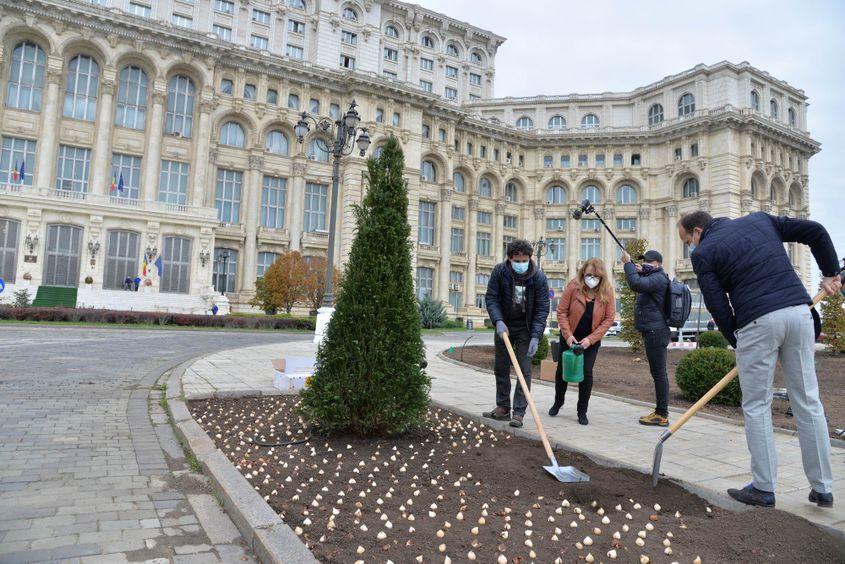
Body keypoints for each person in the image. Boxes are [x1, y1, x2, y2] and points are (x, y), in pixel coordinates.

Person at [678, 210, 841, 509]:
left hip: (757, 321)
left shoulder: (704, 254)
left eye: (687, 239)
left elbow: (718, 305)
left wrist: (736, 340)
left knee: (756, 405)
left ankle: (764, 488)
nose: (690, 246)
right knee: (807, 400)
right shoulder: (761, 220)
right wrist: (832, 272)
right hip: (799, 313)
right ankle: (823, 488)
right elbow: (816, 231)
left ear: (697, 231)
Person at [483, 239, 551, 428]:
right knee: (501, 367)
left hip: (526, 328)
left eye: (524, 260)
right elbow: (492, 297)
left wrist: (536, 336)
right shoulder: (500, 272)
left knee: (524, 370)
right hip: (504, 325)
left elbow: (542, 308)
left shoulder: (538, 277)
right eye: (517, 260)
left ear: (530, 258)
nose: (521, 264)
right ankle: (503, 407)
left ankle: (519, 412)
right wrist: (498, 321)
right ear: (510, 258)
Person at [549, 258, 615, 425]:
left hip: (590, 341)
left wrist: (590, 340)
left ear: (601, 276)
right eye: (588, 275)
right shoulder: (574, 286)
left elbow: (608, 319)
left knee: (586, 372)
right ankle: (558, 402)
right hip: (570, 336)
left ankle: (582, 410)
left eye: (596, 276)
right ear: (583, 273)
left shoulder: (607, 291)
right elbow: (562, 311)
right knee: (562, 370)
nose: (591, 278)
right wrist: (568, 335)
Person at [621, 249, 671, 426]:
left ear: (657, 264)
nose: (645, 263)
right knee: (657, 373)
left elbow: (635, 284)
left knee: (659, 373)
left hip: (656, 331)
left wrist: (627, 264)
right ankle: (659, 412)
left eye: (649, 261)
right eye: (644, 261)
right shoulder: (653, 277)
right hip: (653, 329)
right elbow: (641, 281)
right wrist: (639, 270)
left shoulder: (659, 278)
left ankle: (662, 415)